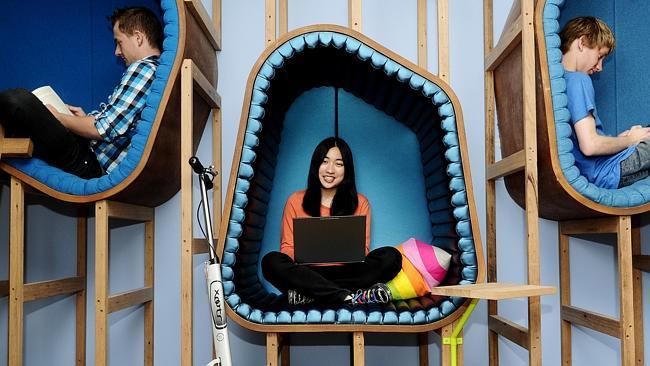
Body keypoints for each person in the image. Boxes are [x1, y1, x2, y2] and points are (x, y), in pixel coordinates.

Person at [0, 6, 163, 179]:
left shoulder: (143, 69)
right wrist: (82, 120)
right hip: (91, 154)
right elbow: (114, 125)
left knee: (16, 99)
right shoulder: (157, 71)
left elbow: (104, 129)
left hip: (92, 163)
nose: (117, 52)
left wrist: (61, 118)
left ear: (138, 38)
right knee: (22, 117)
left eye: (119, 42)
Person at [262, 137, 402, 306]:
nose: (330, 170)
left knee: (391, 256)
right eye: (324, 162)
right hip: (307, 272)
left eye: (339, 164)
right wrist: (308, 256)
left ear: (346, 169)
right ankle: (347, 296)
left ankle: (311, 295)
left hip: (346, 273)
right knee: (271, 261)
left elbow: (363, 251)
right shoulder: (295, 200)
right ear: (316, 165)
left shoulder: (360, 202)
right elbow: (286, 248)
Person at [561, 16, 650, 188]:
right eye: (599, 56)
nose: (599, 67)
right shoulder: (578, 80)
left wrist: (618, 140)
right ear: (582, 42)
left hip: (598, 170)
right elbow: (590, 146)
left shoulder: (561, 81)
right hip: (607, 172)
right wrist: (631, 140)